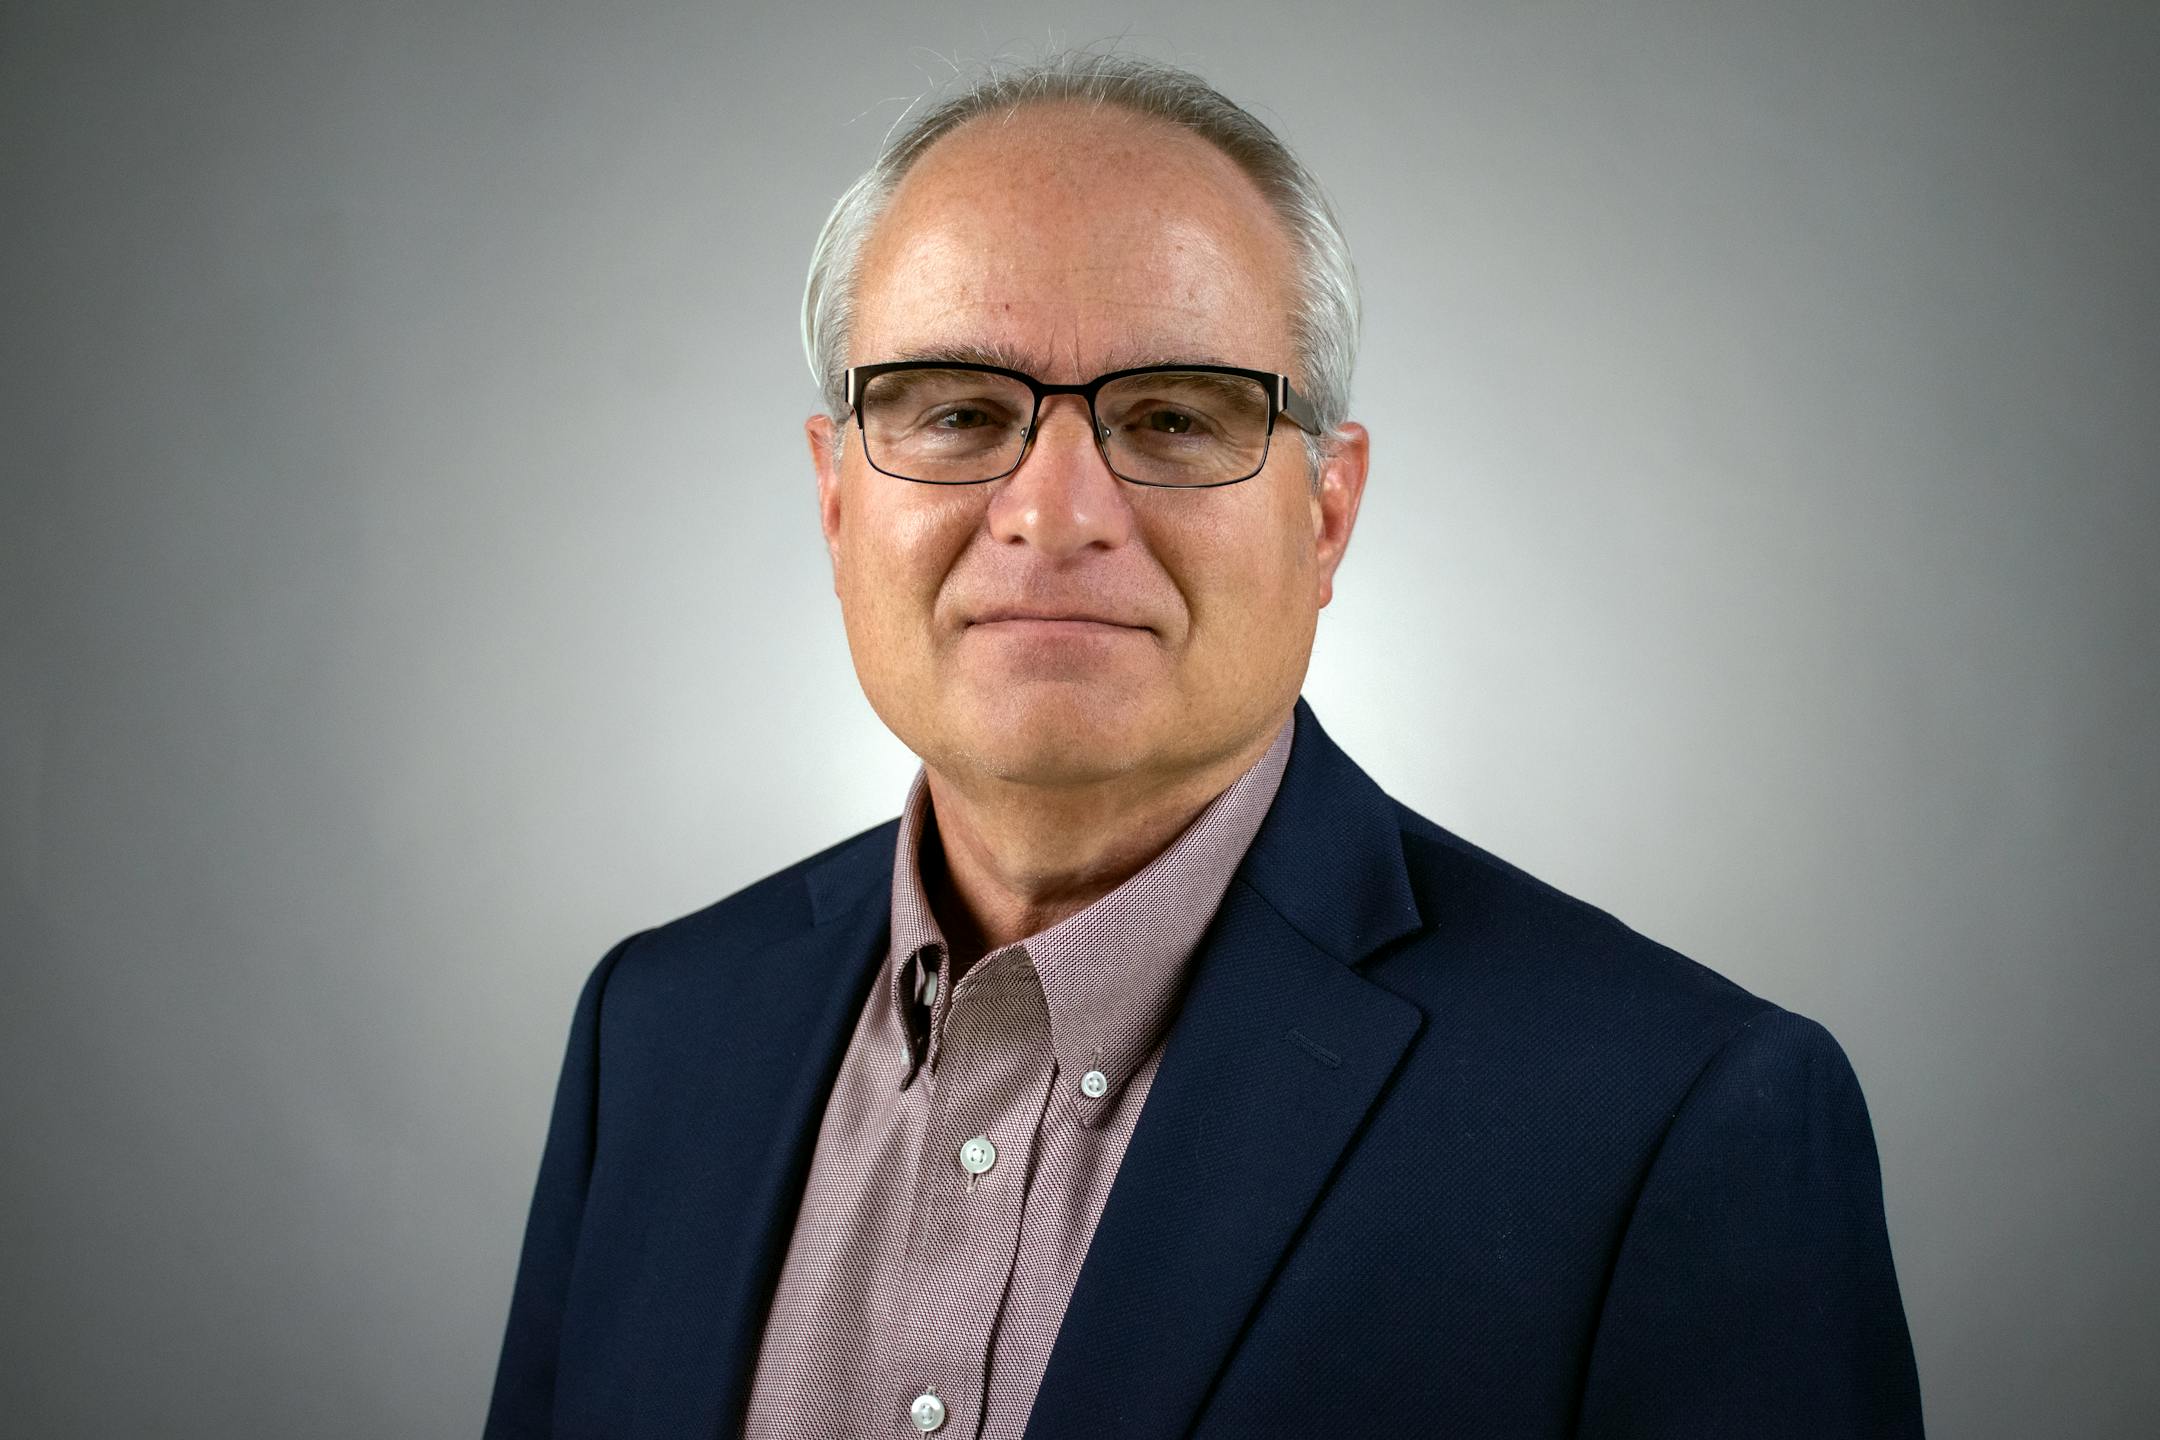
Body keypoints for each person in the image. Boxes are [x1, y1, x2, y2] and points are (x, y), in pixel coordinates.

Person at [483, 52, 1923, 1440]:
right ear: (836, 496)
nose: (1055, 511)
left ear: (1326, 516)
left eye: (1175, 417)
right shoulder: (653, 1036)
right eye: (961, 411)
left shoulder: (1677, 1119)